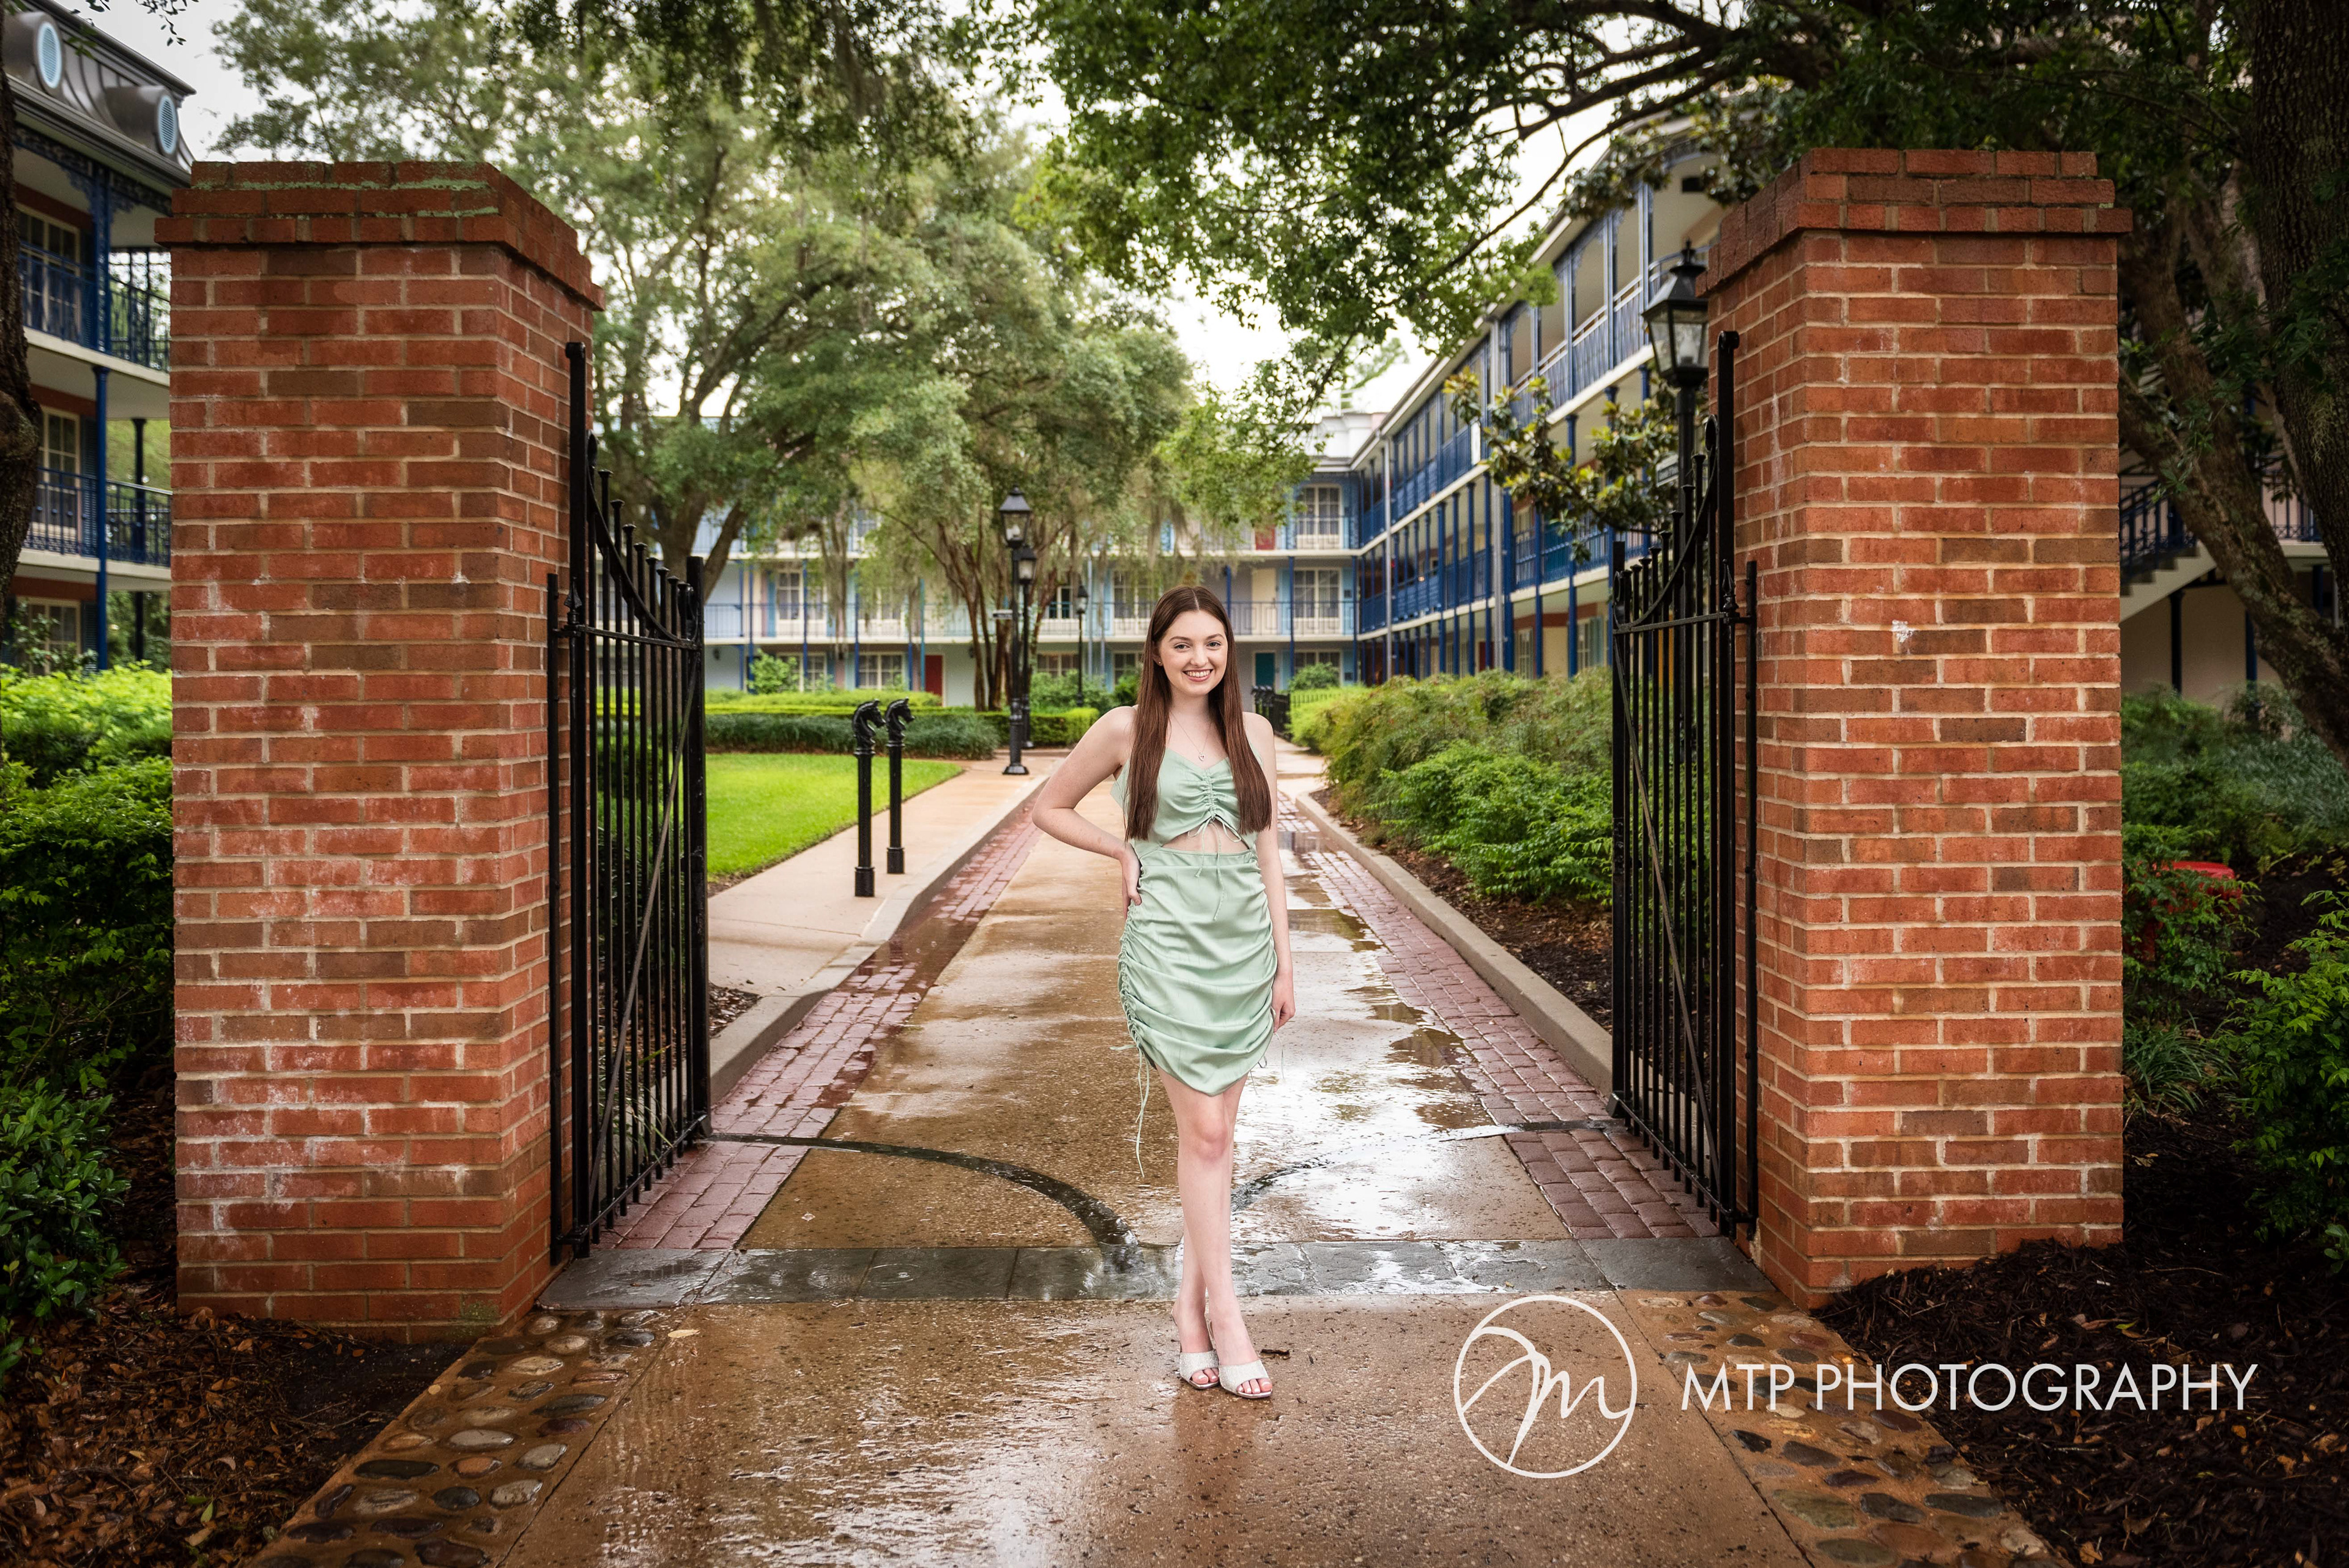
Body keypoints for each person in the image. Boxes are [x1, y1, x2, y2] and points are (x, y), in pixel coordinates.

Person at [1029, 584, 1294, 1400]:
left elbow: (1269, 853)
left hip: (1243, 943)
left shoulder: (1254, 732)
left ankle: (1189, 1314)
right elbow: (1048, 807)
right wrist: (1121, 851)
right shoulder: (1126, 729)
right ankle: (1229, 1318)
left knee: (1217, 1142)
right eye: (1182, 644)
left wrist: (1286, 963)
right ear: (1156, 652)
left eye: (1212, 643)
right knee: (1205, 1132)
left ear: (1228, 651)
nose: (1198, 658)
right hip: (1168, 940)